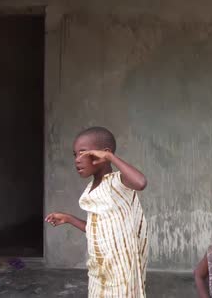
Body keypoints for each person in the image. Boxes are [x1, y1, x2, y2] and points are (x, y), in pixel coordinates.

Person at [45, 126, 149, 298]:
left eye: (83, 153)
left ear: (103, 153)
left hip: (120, 268)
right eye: (75, 154)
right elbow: (97, 229)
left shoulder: (118, 181)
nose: (77, 159)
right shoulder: (90, 189)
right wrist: (69, 219)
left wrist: (110, 157)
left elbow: (141, 183)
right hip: (98, 265)